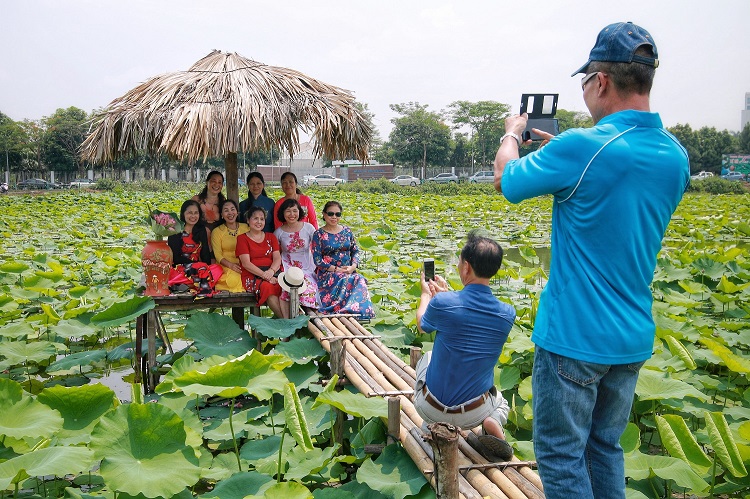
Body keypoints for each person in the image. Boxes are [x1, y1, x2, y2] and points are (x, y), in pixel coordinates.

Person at [493, 22, 690, 498]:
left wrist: (513, 135)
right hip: (631, 335)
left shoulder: (581, 146)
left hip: (575, 336)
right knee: (605, 449)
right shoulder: (675, 155)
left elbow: (507, 180)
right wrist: (559, 153)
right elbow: (614, 189)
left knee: (561, 457)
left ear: (600, 81)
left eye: (584, 81)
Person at [414, 231, 516, 462]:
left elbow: (422, 325)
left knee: (427, 356)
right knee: (500, 402)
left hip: (431, 408)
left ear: (466, 267)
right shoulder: (507, 313)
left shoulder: (442, 303)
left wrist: (425, 295)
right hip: (473, 414)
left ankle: (431, 423)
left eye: (459, 262)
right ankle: (493, 419)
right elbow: (471, 316)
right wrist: (450, 295)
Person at [310, 201, 374, 318]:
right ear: (324, 215)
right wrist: (336, 269)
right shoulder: (318, 234)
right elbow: (317, 260)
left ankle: (360, 312)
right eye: (330, 214)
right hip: (328, 273)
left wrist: (353, 267)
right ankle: (342, 309)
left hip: (348, 270)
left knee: (359, 278)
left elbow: (355, 251)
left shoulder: (347, 231)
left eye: (337, 214)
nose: (334, 217)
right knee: (344, 279)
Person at [235, 206, 286, 318]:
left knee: (284, 287)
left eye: (262, 219)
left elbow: (277, 258)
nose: (259, 222)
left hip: (272, 272)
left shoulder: (271, 237)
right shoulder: (242, 239)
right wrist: (265, 276)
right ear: (248, 220)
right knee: (267, 287)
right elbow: (246, 264)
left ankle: (289, 323)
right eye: (255, 218)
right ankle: (287, 322)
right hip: (252, 274)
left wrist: (271, 271)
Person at [167, 200, 223, 296]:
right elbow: (175, 257)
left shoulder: (201, 230)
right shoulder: (175, 230)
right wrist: (197, 265)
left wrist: (206, 268)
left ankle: (187, 286)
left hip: (200, 269)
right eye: (189, 213)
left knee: (218, 268)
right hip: (181, 268)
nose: (193, 216)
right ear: (183, 214)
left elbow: (205, 253)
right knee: (201, 268)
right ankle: (201, 285)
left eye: (196, 213)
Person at [274, 198, 320, 312]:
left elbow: (317, 247)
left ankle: (310, 317)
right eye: (288, 211)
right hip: (288, 266)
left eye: (295, 211)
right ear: (283, 213)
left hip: (308, 265)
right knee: (289, 288)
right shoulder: (278, 233)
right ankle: (291, 318)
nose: (292, 214)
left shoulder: (308, 228)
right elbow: (275, 254)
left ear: (299, 212)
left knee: (309, 288)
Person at [211, 199, 249, 293]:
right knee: (233, 280)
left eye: (232, 209)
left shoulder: (246, 228)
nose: (230, 213)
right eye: (226, 210)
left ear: (237, 212)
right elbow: (218, 255)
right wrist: (231, 265)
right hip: (225, 267)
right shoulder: (217, 231)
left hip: (245, 266)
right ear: (222, 215)